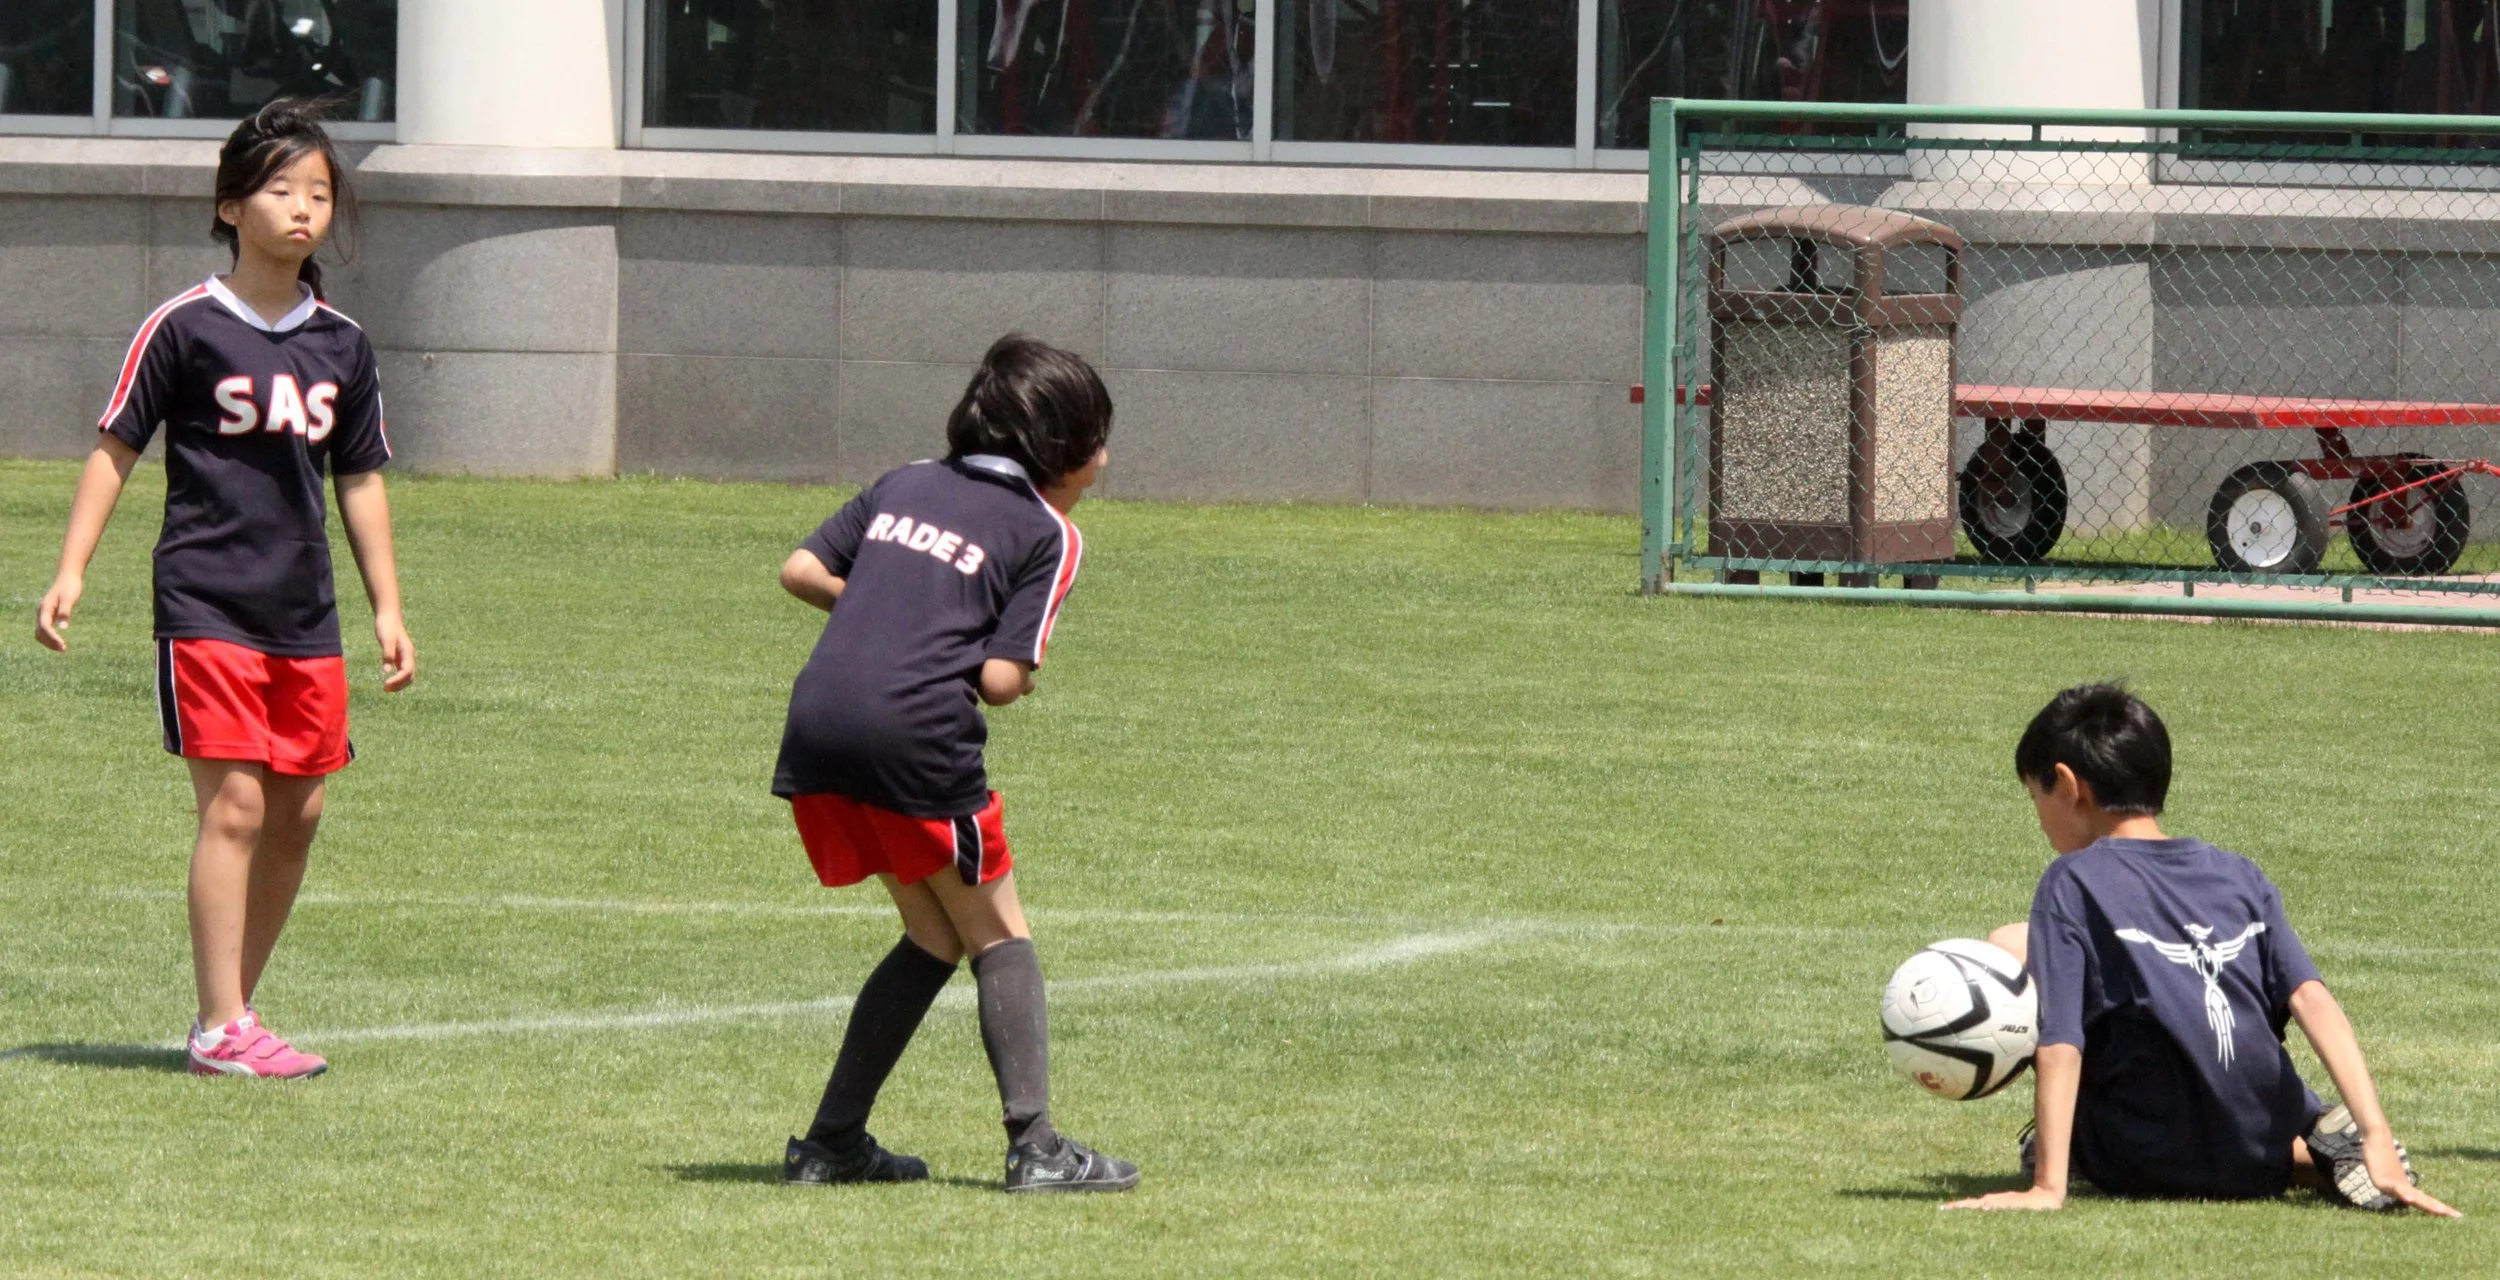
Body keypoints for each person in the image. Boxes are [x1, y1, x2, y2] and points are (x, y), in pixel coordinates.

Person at [34, 99, 412, 1080]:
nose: (303, 209)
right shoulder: (183, 326)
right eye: (282, 189)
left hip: (305, 616)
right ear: (231, 204)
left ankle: (228, 1013)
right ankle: (220, 1024)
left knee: (300, 811)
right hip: (205, 604)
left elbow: (359, 478)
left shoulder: (343, 344)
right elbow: (114, 449)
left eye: (319, 193)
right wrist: (72, 570)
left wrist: (388, 606)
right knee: (236, 803)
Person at [772, 333, 1137, 1194]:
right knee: (1001, 934)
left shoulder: (906, 480)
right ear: (1062, 450)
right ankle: (1038, 1148)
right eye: (1098, 438)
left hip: (820, 725)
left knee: (934, 934)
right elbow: (1005, 681)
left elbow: (800, 569)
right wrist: (955, 653)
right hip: (914, 739)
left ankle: (831, 1143)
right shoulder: (1048, 531)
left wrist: (890, 614)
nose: (1107, 457)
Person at [1944, 685, 2456, 1216]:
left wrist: (2047, 1188)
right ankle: (2317, 1147)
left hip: (2140, 1156)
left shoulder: (2070, 881)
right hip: (2261, 1145)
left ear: (2070, 786)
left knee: (2009, 951)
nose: (2038, 815)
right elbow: (2313, 1001)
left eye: (2036, 796)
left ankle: (2067, 1149)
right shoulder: (2237, 875)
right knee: (2026, 941)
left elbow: (2061, 1042)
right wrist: (2375, 1131)